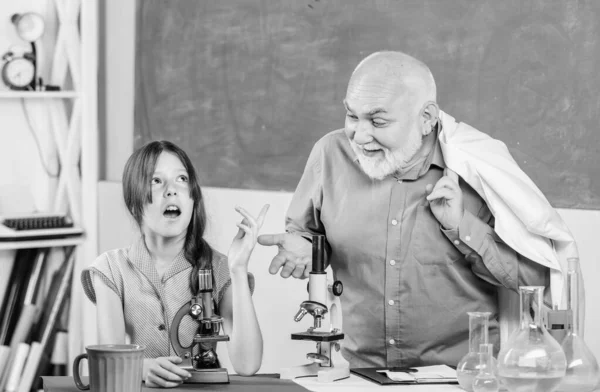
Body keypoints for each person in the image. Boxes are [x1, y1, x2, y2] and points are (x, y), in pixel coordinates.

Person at [258, 51, 550, 368]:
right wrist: (306, 246)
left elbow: (533, 281)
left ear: (426, 118)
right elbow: (309, 235)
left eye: (378, 121)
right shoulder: (330, 154)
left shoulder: (476, 171)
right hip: (361, 375)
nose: (358, 134)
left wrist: (461, 226)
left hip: (460, 379)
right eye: (351, 116)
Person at [81, 140, 268, 387]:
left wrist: (239, 268)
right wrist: (143, 368)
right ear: (135, 201)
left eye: (181, 179)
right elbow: (111, 362)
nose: (172, 190)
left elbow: (247, 364)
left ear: (193, 198)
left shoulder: (221, 267)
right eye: (156, 181)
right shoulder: (109, 269)